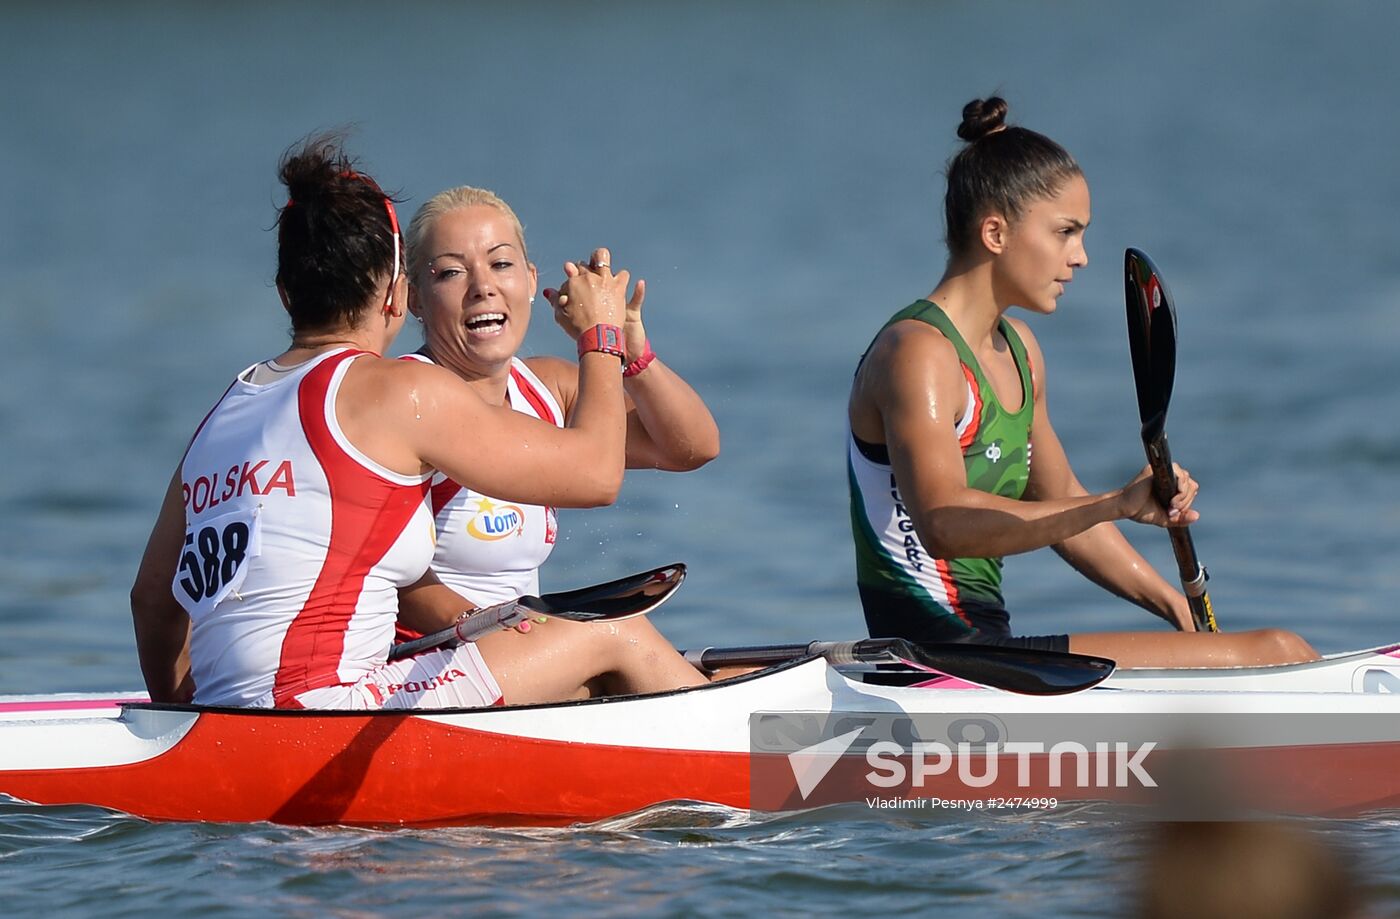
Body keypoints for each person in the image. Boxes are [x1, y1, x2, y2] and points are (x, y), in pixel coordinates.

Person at [130, 135, 705, 709]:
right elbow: (598, 478)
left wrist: (189, 726)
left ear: (286, 296)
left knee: (604, 666)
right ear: (400, 298)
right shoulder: (399, 389)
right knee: (615, 630)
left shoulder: (228, 408)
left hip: (249, 717)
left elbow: (152, 600)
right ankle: (780, 769)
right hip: (327, 710)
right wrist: (601, 335)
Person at [846, 98, 1317, 667]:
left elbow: (1063, 503)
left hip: (990, 653)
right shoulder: (918, 353)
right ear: (995, 232)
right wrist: (1114, 503)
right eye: (1066, 232)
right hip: (933, 659)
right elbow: (943, 521)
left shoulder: (1020, 350)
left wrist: (1173, 606)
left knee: (1253, 652)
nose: (1082, 257)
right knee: (1278, 652)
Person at [398, 186, 719, 614]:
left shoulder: (547, 388)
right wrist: (498, 636)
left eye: (501, 264)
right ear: (414, 298)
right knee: (621, 633)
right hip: (431, 656)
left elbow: (691, 449)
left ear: (531, 280)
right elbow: (395, 579)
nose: (483, 287)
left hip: (519, 649)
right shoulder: (404, 396)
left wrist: (631, 353)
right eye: (451, 273)